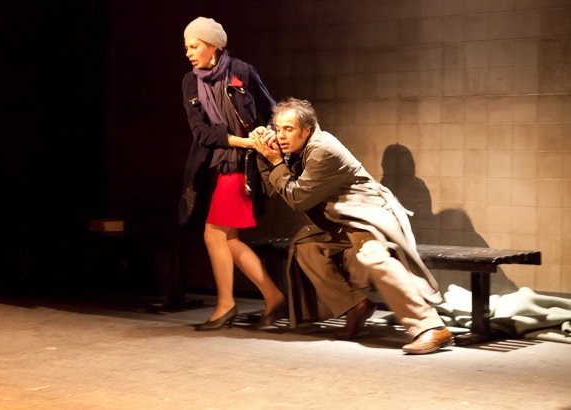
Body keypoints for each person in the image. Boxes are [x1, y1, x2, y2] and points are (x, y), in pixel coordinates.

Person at [251, 98, 453, 354]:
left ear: (306, 130)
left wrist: (276, 162)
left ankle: (430, 327)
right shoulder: (297, 149)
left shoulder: (322, 149)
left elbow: (297, 199)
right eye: (278, 129)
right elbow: (274, 189)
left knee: (373, 256)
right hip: (341, 222)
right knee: (306, 248)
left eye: (288, 129)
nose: (280, 135)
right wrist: (265, 154)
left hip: (366, 216)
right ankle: (355, 306)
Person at [179, 17, 286, 331]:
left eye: (194, 46)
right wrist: (245, 141)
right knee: (227, 238)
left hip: (242, 166)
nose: (188, 53)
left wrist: (267, 133)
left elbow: (272, 110)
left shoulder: (241, 71)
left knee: (214, 234)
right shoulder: (190, 83)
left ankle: (229, 304)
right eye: (186, 47)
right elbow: (202, 133)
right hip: (220, 163)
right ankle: (273, 297)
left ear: (213, 46)